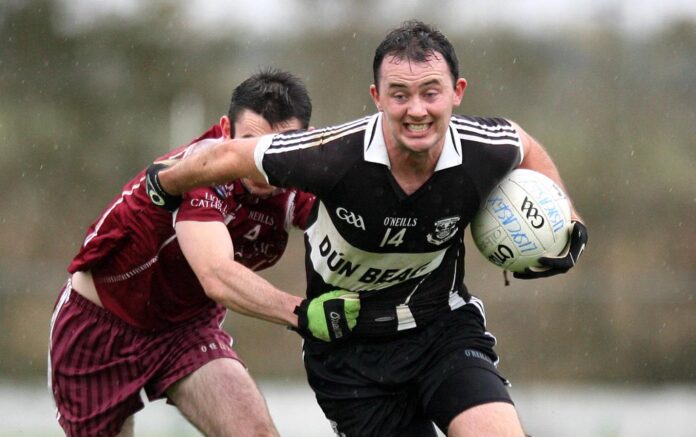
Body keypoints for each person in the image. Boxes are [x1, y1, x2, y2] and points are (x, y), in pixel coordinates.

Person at [146, 21, 588, 437]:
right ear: (377, 96)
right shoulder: (331, 155)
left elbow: (525, 145)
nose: (417, 110)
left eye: (430, 93)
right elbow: (233, 156)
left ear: (457, 92)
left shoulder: (485, 148)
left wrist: (569, 221)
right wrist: (162, 183)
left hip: (443, 332)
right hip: (349, 357)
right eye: (400, 95)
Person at [48, 69, 357, 437]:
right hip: (100, 326)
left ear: (302, 140)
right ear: (226, 131)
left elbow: (355, 227)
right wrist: (302, 314)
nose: (264, 164)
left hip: (187, 332)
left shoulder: (296, 174)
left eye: (277, 149)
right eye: (249, 145)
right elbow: (216, 275)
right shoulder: (198, 168)